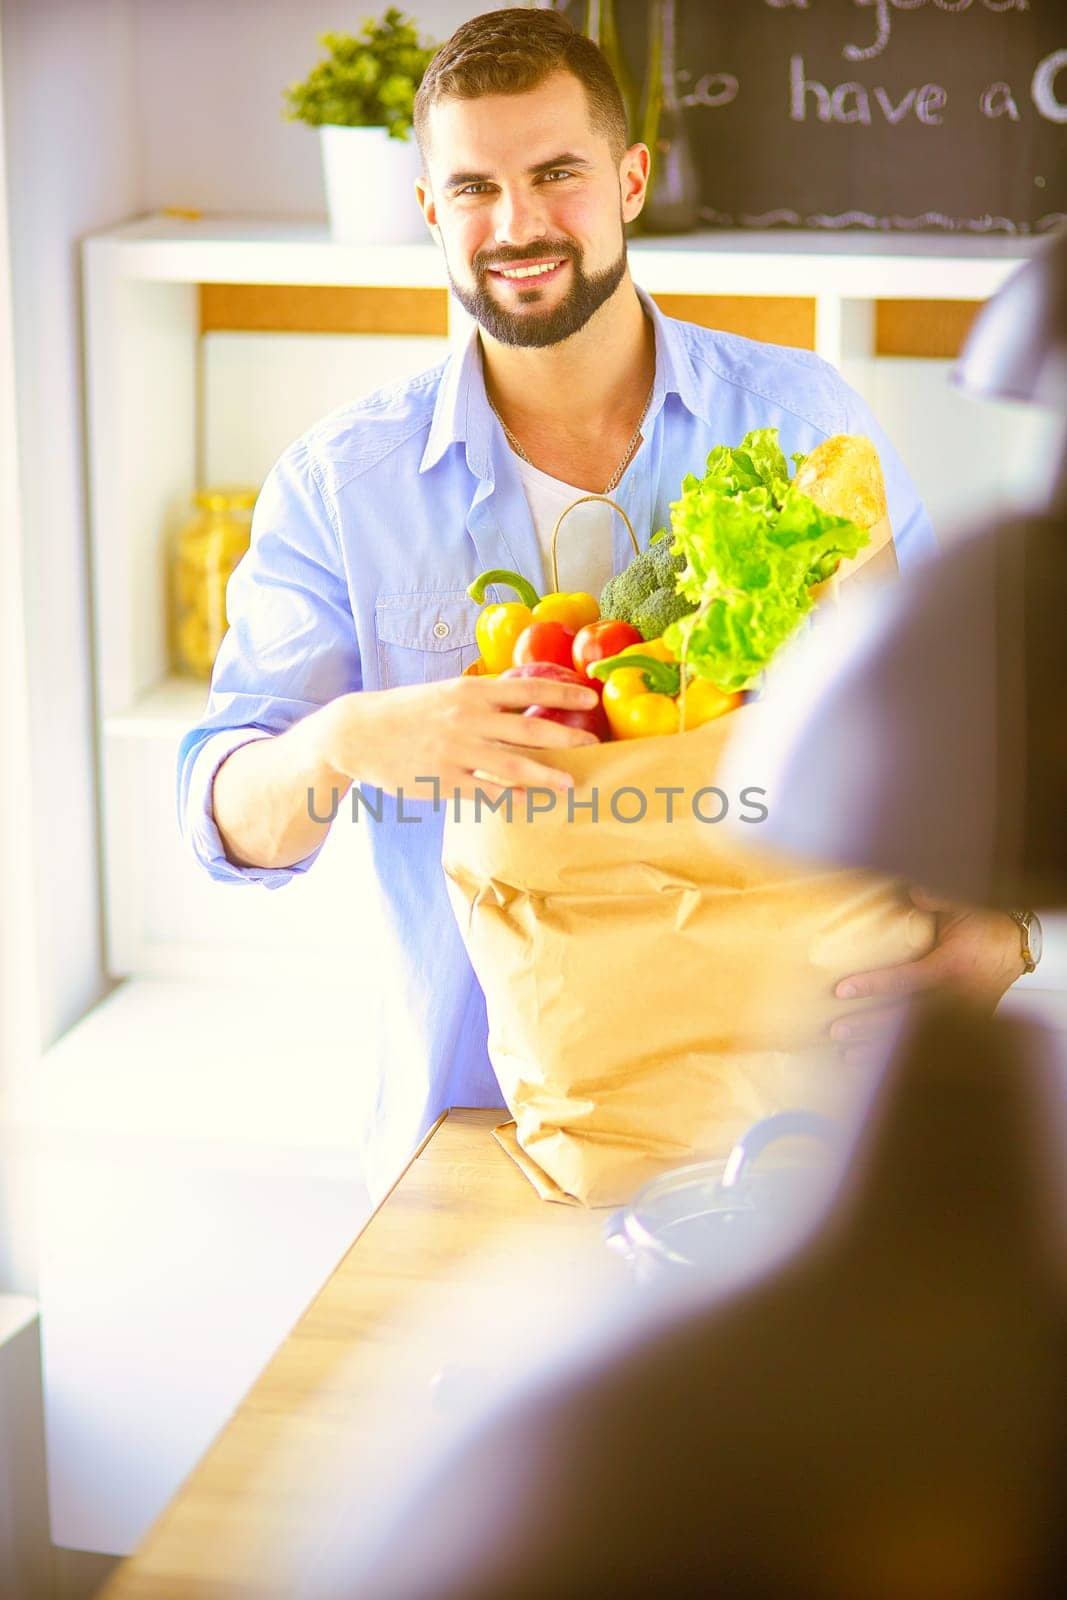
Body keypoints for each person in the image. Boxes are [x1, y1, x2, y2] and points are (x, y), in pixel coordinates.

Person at [177, 8, 1030, 1197]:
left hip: (796, 1113)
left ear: (626, 180)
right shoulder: (339, 486)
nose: (516, 224)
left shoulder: (798, 418)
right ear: (429, 211)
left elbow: (947, 728)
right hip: (480, 1117)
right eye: (471, 186)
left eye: (555, 173)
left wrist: (999, 933)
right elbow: (225, 819)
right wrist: (351, 738)